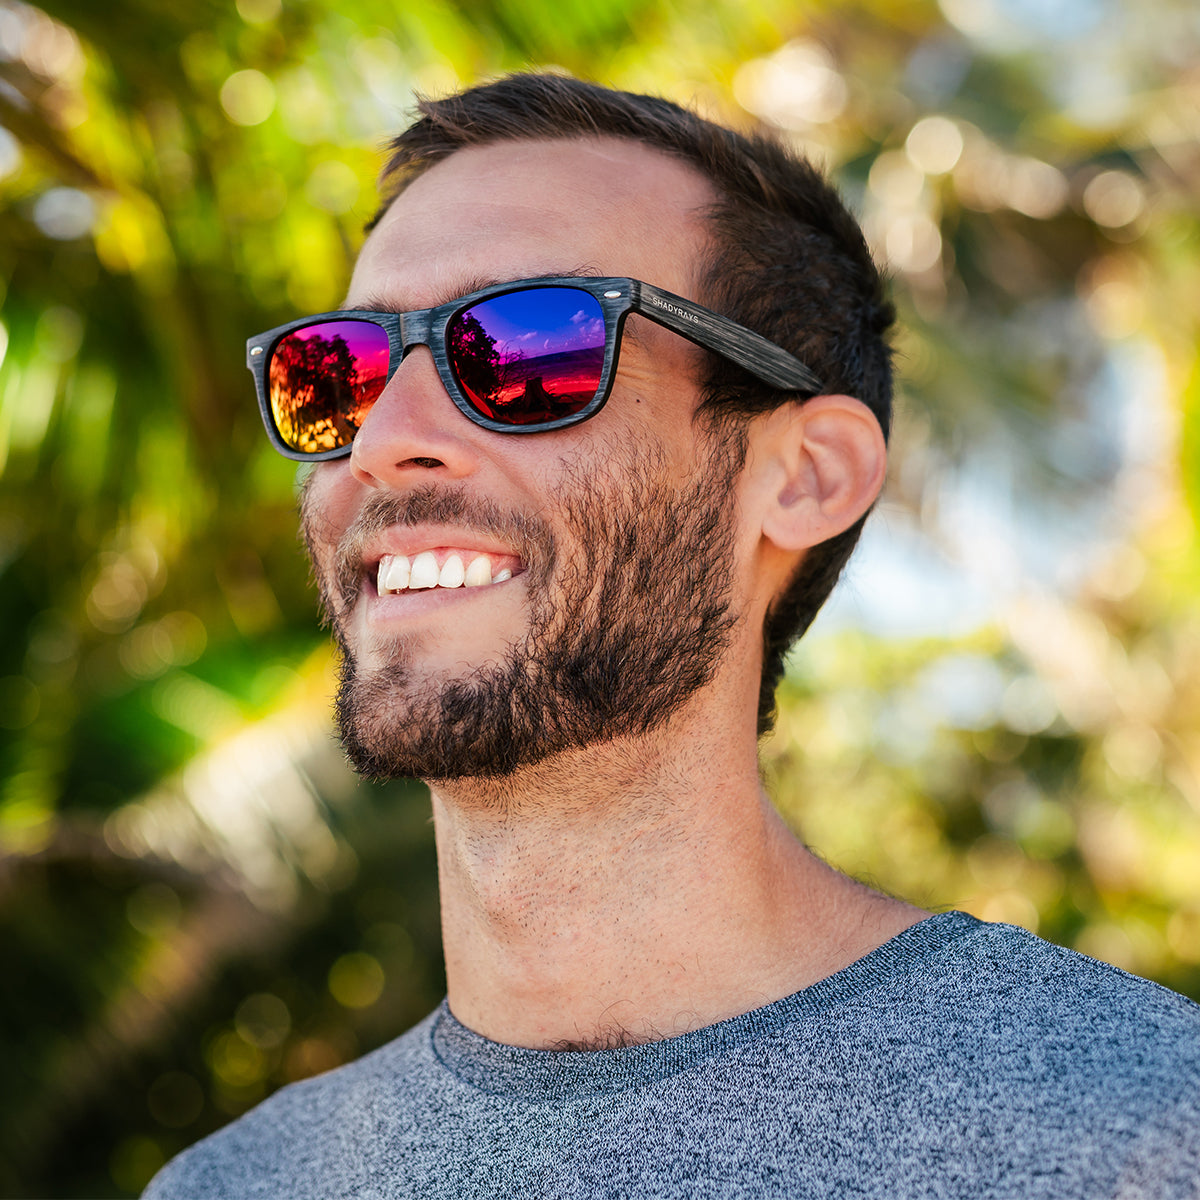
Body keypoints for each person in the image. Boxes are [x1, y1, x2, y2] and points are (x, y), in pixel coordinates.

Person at [146, 73, 1200, 1199]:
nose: (381, 441)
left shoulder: (1136, 1130)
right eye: (337, 375)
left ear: (806, 476)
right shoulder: (233, 1186)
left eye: (526, 346)